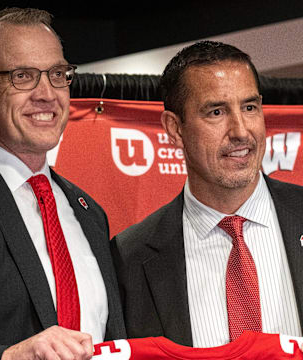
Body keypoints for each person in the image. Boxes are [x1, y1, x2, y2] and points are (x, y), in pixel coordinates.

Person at [0, 7, 125, 360]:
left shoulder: (89, 213)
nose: (47, 93)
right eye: (23, 76)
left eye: (58, 73)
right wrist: (8, 357)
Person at [111, 40, 303, 348]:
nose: (241, 131)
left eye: (250, 107)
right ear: (175, 129)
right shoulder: (129, 257)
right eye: (216, 112)